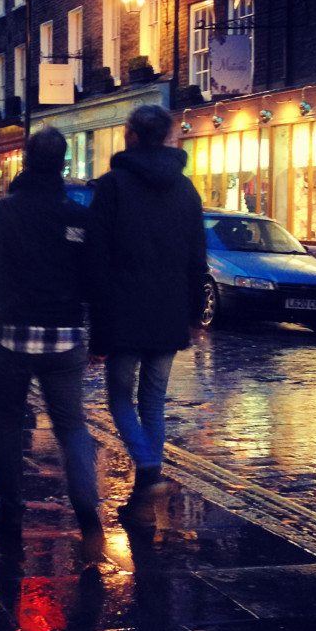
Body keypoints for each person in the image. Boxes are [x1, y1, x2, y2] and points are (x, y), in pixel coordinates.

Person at [0, 127, 103, 558]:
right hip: (66, 337)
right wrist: (101, 336)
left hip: (12, 337)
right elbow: (96, 280)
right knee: (72, 425)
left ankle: (12, 510)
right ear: (63, 164)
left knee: (7, 424)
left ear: (26, 161)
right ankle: (87, 512)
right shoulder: (78, 217)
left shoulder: (5, 213)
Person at [87, 104, 208, 526]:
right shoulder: (187, 190)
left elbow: (96, 264)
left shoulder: (113, 186)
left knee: (120, 397)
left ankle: (148, 468)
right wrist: (195, 316)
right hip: (169, 314)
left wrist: (97, 334)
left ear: (133, 135)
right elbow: (198, 260)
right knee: (153, 400)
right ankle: (144, 495)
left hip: (123, 317)